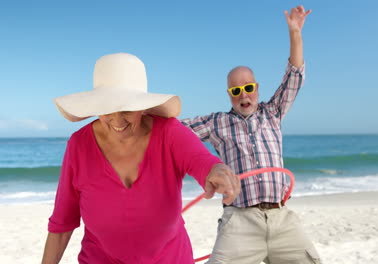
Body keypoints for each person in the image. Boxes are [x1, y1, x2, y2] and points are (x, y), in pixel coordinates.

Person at [42, 53, 240, 264]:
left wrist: (216, 171)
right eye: (107, 108)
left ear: (143, 106)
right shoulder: (78, 145)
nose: (117, 120)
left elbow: (200, 159)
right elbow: (62, 223)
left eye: (127, 108)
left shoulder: (170, 133)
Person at [181, 5, 321, 264]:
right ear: (229, 95)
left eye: (248, 88)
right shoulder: (217, 123)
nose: (243, 95)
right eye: (236, 91)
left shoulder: (273, 112)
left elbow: (295, 77)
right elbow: (175, 132)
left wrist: (295, 33)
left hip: (281, 218)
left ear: (256, 88)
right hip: (239, 221)